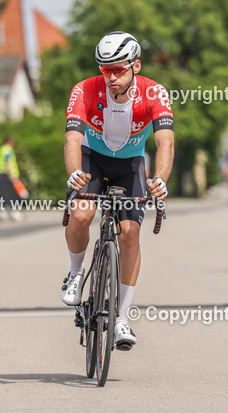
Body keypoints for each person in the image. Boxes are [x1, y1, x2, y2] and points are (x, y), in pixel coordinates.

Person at [62, 32, 174, 351]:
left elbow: (165, 141)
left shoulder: (154, 92)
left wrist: (162, 178)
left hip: (131, 164)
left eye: (118, 69)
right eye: (104, 69)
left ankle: (122, 316)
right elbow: (72, 140)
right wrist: (74, 174)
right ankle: (74, 272)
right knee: (82, 216)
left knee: (130, 235)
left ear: (135, 66)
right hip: (91, 159)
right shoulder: (84, 89)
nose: (110, 76)